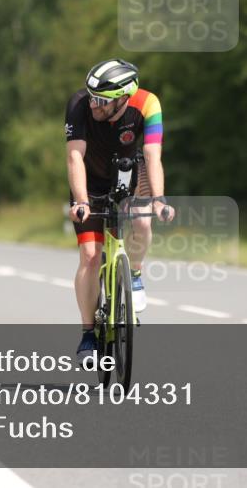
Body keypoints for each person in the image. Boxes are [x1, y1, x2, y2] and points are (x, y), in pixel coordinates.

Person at [65, 59, 175, 363]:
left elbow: (153, 156)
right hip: (89, 180)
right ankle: (88, 332)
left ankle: (135, 274)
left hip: (127, 171)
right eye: (92, 97)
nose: (94, 104)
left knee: (141, 220)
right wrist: (81, 202)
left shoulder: (148, 104)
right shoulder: (79, 104)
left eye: (102, 100)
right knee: (89, 254)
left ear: (124, 98)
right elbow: (75, 158)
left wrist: (160, 199)